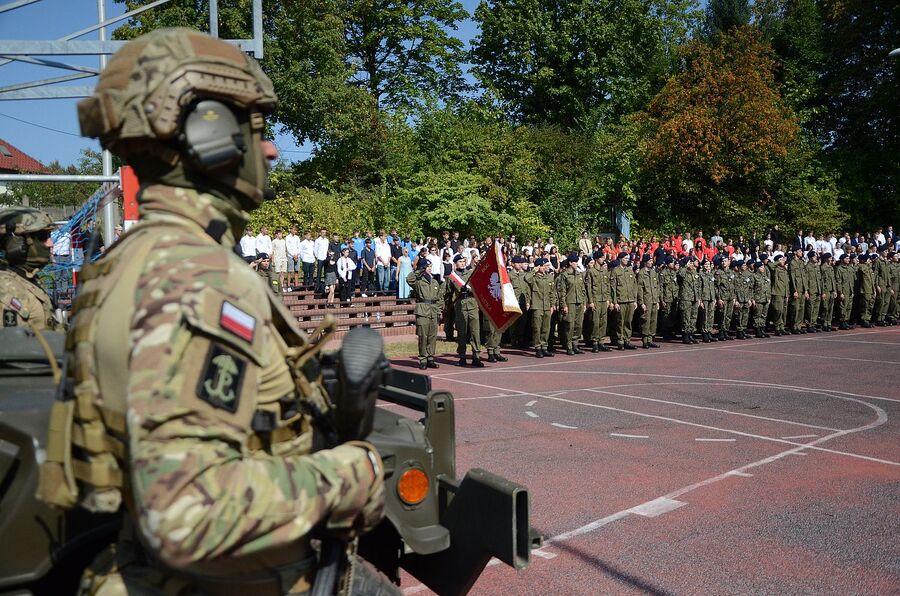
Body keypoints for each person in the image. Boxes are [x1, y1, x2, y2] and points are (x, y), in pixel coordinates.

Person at [52, 28, 385, 595]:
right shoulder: (197, 277)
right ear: (210, 131)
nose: (272, 150)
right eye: (257, 128)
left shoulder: (126, 261)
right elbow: (186, 513)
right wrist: (354, 474)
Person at [0, 207, 63, 331]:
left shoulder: (25, 278)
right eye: (43, 237)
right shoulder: (8, 290)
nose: (50, 243)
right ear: (16, 243)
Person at [445, 254, 483, 366]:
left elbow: (478, 287)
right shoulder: (451, 277)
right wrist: (445, 308)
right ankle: (462, 356)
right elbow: (448, 294)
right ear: (455, 263)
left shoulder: (471, 273)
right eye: (460, 261)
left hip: (472, 303)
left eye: (463, 261)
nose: (462, 263)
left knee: (475, 332)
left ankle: (476, 356)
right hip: (460, 305)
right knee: (461, 332)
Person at [407, 258, 442, 369]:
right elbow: (409, 279)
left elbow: (439, 298)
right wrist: (419, 270)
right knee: (423, 336)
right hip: (422, 310)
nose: (430, 268)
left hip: (433, 309)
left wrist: (439, 310)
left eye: (431, 266)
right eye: (427, 267)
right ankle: (423, 358)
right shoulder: (418, 281)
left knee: (432, 336)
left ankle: (430, 358)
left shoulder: (435, 281)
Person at [526, 257, 557, 357]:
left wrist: (552, 304)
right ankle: (538, 348)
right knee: (537, 328)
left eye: (546, 266)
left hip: (547, 305)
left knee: (546, 328)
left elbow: (552, 292)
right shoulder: (534, 278)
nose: (545, 268)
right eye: (544, 266)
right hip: (537, 305)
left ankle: (544, 347)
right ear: (539, 266)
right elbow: (526, 278)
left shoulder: (549, 277)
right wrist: (534, 270)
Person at [557, 253, 587, 355]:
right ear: (570, 262)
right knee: (570, 325)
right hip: (570, 302)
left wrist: (583, 303)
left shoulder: (579, 274)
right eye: (575, 262)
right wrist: (563, 304)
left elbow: (583, 290)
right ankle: (569, 345)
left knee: (579, 325)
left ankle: (575, 344)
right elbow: (562, 291)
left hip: (579, 301)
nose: (576, 263)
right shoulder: (565, 275)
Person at [610, 252, 638, 350]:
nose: (627, 260)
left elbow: (634, 286)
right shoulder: (615, 271)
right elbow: (613, 288)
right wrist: (615, 302)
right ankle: (620, 341)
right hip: (621, 300)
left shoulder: (630, 271)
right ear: (620, 259)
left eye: (628, 258)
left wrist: (634, 300)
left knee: (628, 321)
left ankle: (627, 340)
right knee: (620, 322)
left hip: (630, 300)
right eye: (625, 258)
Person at [585, 251, 612, 352]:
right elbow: (588, 287)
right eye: (601, 258)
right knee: (595, 321)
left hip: (603, 299)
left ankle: (601, 341)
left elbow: (607, 286)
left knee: (603, 321)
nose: (603, 259)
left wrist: (608, 299)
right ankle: (595, 342)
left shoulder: (604, 271)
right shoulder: (591, 271)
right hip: (595, 299)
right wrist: (590, 301)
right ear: (596, 259)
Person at [636, 254, 661, 348]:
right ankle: (645, 340)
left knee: (653, 320)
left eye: (651, 261)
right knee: (645, 320)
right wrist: (641, 302)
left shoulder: (653, 272)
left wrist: (657, 300)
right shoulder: (641, 273)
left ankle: (650, 339)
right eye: (649, 261)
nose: (651, 262)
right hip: (646, 300)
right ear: (645, 262)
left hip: (654, 299)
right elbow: (640, 288)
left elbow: (657, 287)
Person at [677, 256, 701, 344]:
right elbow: (680, 276)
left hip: (694, 297)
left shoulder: (694, 272)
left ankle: (691, 334)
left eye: (691, 263)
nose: (691, 264)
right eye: (689, 263)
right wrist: (685, 267)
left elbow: (698, 286)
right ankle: (685, 335)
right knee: (686, 317)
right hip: (686, 298)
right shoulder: (682, 271)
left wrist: (698, 298)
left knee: (693, 317)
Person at [715, 255, 737, 341]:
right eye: (722, 261)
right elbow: (716, 287)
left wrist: (734, 297)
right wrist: (719, 298)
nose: (724, 263)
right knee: (722, 315)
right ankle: (721, 332)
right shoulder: (718, 273)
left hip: (730, 297)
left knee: (728, 315)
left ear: (729, 262)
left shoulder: (732, 273)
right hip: (723, 297)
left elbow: (734, 286)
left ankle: (726, 331)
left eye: (725, 261)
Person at [788, 247, 808, 334]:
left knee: (801, 308)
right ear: (795, 252)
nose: (801, 252)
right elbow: (792, 278)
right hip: (797, 289)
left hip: (802, 289)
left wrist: (806, 290)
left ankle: (799, 326)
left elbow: (804, 277)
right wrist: (794, 290)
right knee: (795, 309)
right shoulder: (792, 263)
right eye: (800, 251)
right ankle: (793, 326)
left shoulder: (801, 262)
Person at [732, 260, 753, 339]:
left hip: (746, 298)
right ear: (739, 267)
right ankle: (739, 331)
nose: (744, 267)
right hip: (739, 299)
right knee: (739, 316)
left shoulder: (747, 276)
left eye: (745, 265)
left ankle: (744, 330)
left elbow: (750, 288)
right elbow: (733, 289)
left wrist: (750, 299)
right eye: (742, 265)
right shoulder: (735, 276)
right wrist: (735, 299)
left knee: (745, 315)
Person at [769, 254, 790, 335]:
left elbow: (787, 283)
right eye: (781, 259)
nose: (783, 261)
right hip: (777, 293)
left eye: (783, 259)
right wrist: (778, 262)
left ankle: (782, 327)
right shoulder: (775, 269)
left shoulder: (784, 270)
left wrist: (787, 293)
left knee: (784, 312)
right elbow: (770, 266)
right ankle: (777, 327)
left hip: (784, 293)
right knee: (778, 310)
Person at [751, 259, 771, 338]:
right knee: (757, 315)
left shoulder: (765, 277)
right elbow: (751, 288)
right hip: (758, 298)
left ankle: (762, 329)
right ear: (757, 268)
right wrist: (752, 299)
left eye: (763, 266)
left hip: (765, 298)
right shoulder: (754, 276)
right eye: (761, 267)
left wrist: (769, 297)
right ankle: (757, 330)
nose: (763, 268)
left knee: (764, 315)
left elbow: (768, 288)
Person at [698, 258, 717, 342]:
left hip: (711, 297)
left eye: (708, 265)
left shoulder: (711, 275)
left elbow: (714, 287)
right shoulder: (700, 275)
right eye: (705, 264)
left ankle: (709, 331)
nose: (707, 266)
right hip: (704, 297)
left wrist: (715, 298)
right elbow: (699, 288)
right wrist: (700, 300)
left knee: (711, 316)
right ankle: (704, 333)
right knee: (705, 316)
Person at [804, 251, 822, 331]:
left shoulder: (817, 267)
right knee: (810, 309)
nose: (816, 258)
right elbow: (806, 280)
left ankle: (813, 323)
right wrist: (806, 291)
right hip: (811, 290)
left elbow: (820, 280)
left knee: (816, 308)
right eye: (814, 257)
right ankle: (809, 324)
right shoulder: (807, 267)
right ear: (810, 258)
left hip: (817, 290)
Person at [820, 253, 837, 331]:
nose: (831, 259)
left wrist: (834, 290)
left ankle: (829, 323)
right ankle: (824, 323)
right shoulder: (823, 268)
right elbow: (822, 281)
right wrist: (823, 292)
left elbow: (833, 280)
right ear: (826, 259)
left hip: (831, 290)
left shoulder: (831, 268)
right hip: (826, 290)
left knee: (831, 308)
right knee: (825, 307)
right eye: (829, 257)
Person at [285, 225, 301, 289]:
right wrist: (293, 255)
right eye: (294, 230)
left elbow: (299, 247)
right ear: (291, 230)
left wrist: (296, 255)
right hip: (290, 256)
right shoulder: (287, 237)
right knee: (289, 271)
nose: (295, 231)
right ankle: (288, 285)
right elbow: (288, 248)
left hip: (297, 256)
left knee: (296, 271)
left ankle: (296, 285)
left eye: (296, 230)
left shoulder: (297, 238)